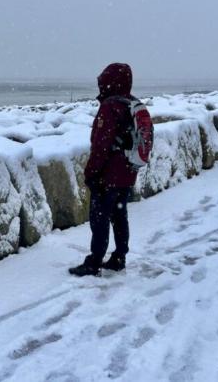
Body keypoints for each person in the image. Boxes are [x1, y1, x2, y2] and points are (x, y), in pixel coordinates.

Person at [69, 63, 139, 277]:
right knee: (120, 216)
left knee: (99, 219)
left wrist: (90, 172)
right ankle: (119, 257)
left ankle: (94, 262)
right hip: (128, 172)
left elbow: (101, 145)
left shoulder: (110, 107)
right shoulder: (133, 104)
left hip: (108, 175)